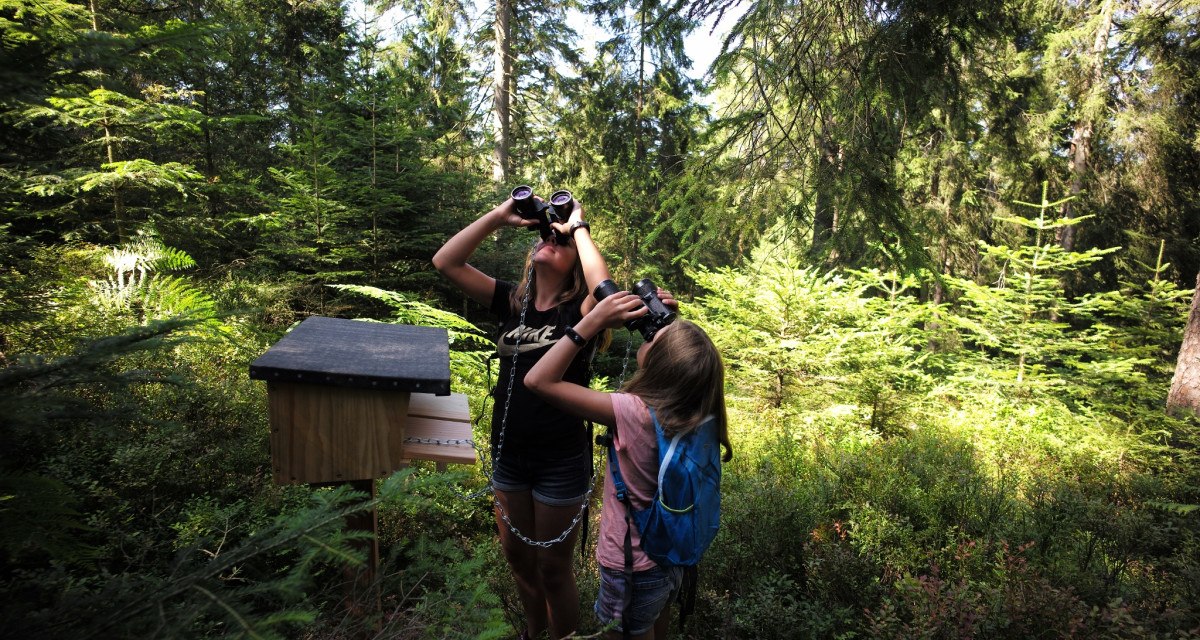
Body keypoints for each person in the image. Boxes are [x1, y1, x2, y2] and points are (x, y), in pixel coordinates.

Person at [432, 194, 611, 640]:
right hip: (509, 454)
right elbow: (446, 261)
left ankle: (561, 636)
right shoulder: (512, 303)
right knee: (519, 563)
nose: (549, 238)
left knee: (553, 567)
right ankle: (533, 633)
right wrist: (499, 216)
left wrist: (578, 228)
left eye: (559, 240)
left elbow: (602, 289)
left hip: (561, 459)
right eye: (544, 237)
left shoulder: (582, 312)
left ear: (575, 261)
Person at [523, 292, 733, 640]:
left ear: (661, 364)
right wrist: (672, 330)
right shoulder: (701, 409)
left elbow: (538, 380)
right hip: (669, 557)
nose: (648, 335)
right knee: (652, 625)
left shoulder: (632, 411)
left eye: (654, 337)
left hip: (630, 564)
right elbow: (692, 360)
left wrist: (589, 323)